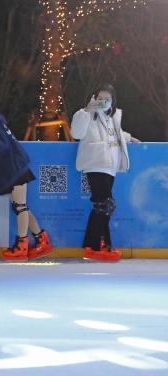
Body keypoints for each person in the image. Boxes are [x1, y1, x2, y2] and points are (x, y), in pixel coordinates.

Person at [0, 92, 53, 261]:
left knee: (20, 207)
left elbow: (1, 144)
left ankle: (22, 246)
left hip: (14, 167)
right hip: (11, 168)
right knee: (21, 207)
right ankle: (42, 239)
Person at [71, 83, 140, 261]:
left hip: (109, 166)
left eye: (107, 99)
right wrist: (86, 110)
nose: (103, 102)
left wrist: (129, 137)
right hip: (95, 164)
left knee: (101, 205)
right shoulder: (87, 114)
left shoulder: (113, 117)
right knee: (106, 204)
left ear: (112, 101)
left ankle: (92, 245)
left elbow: (116, 134)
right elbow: (76, 133)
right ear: (94, 98)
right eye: (100, 98)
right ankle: (99, 245)